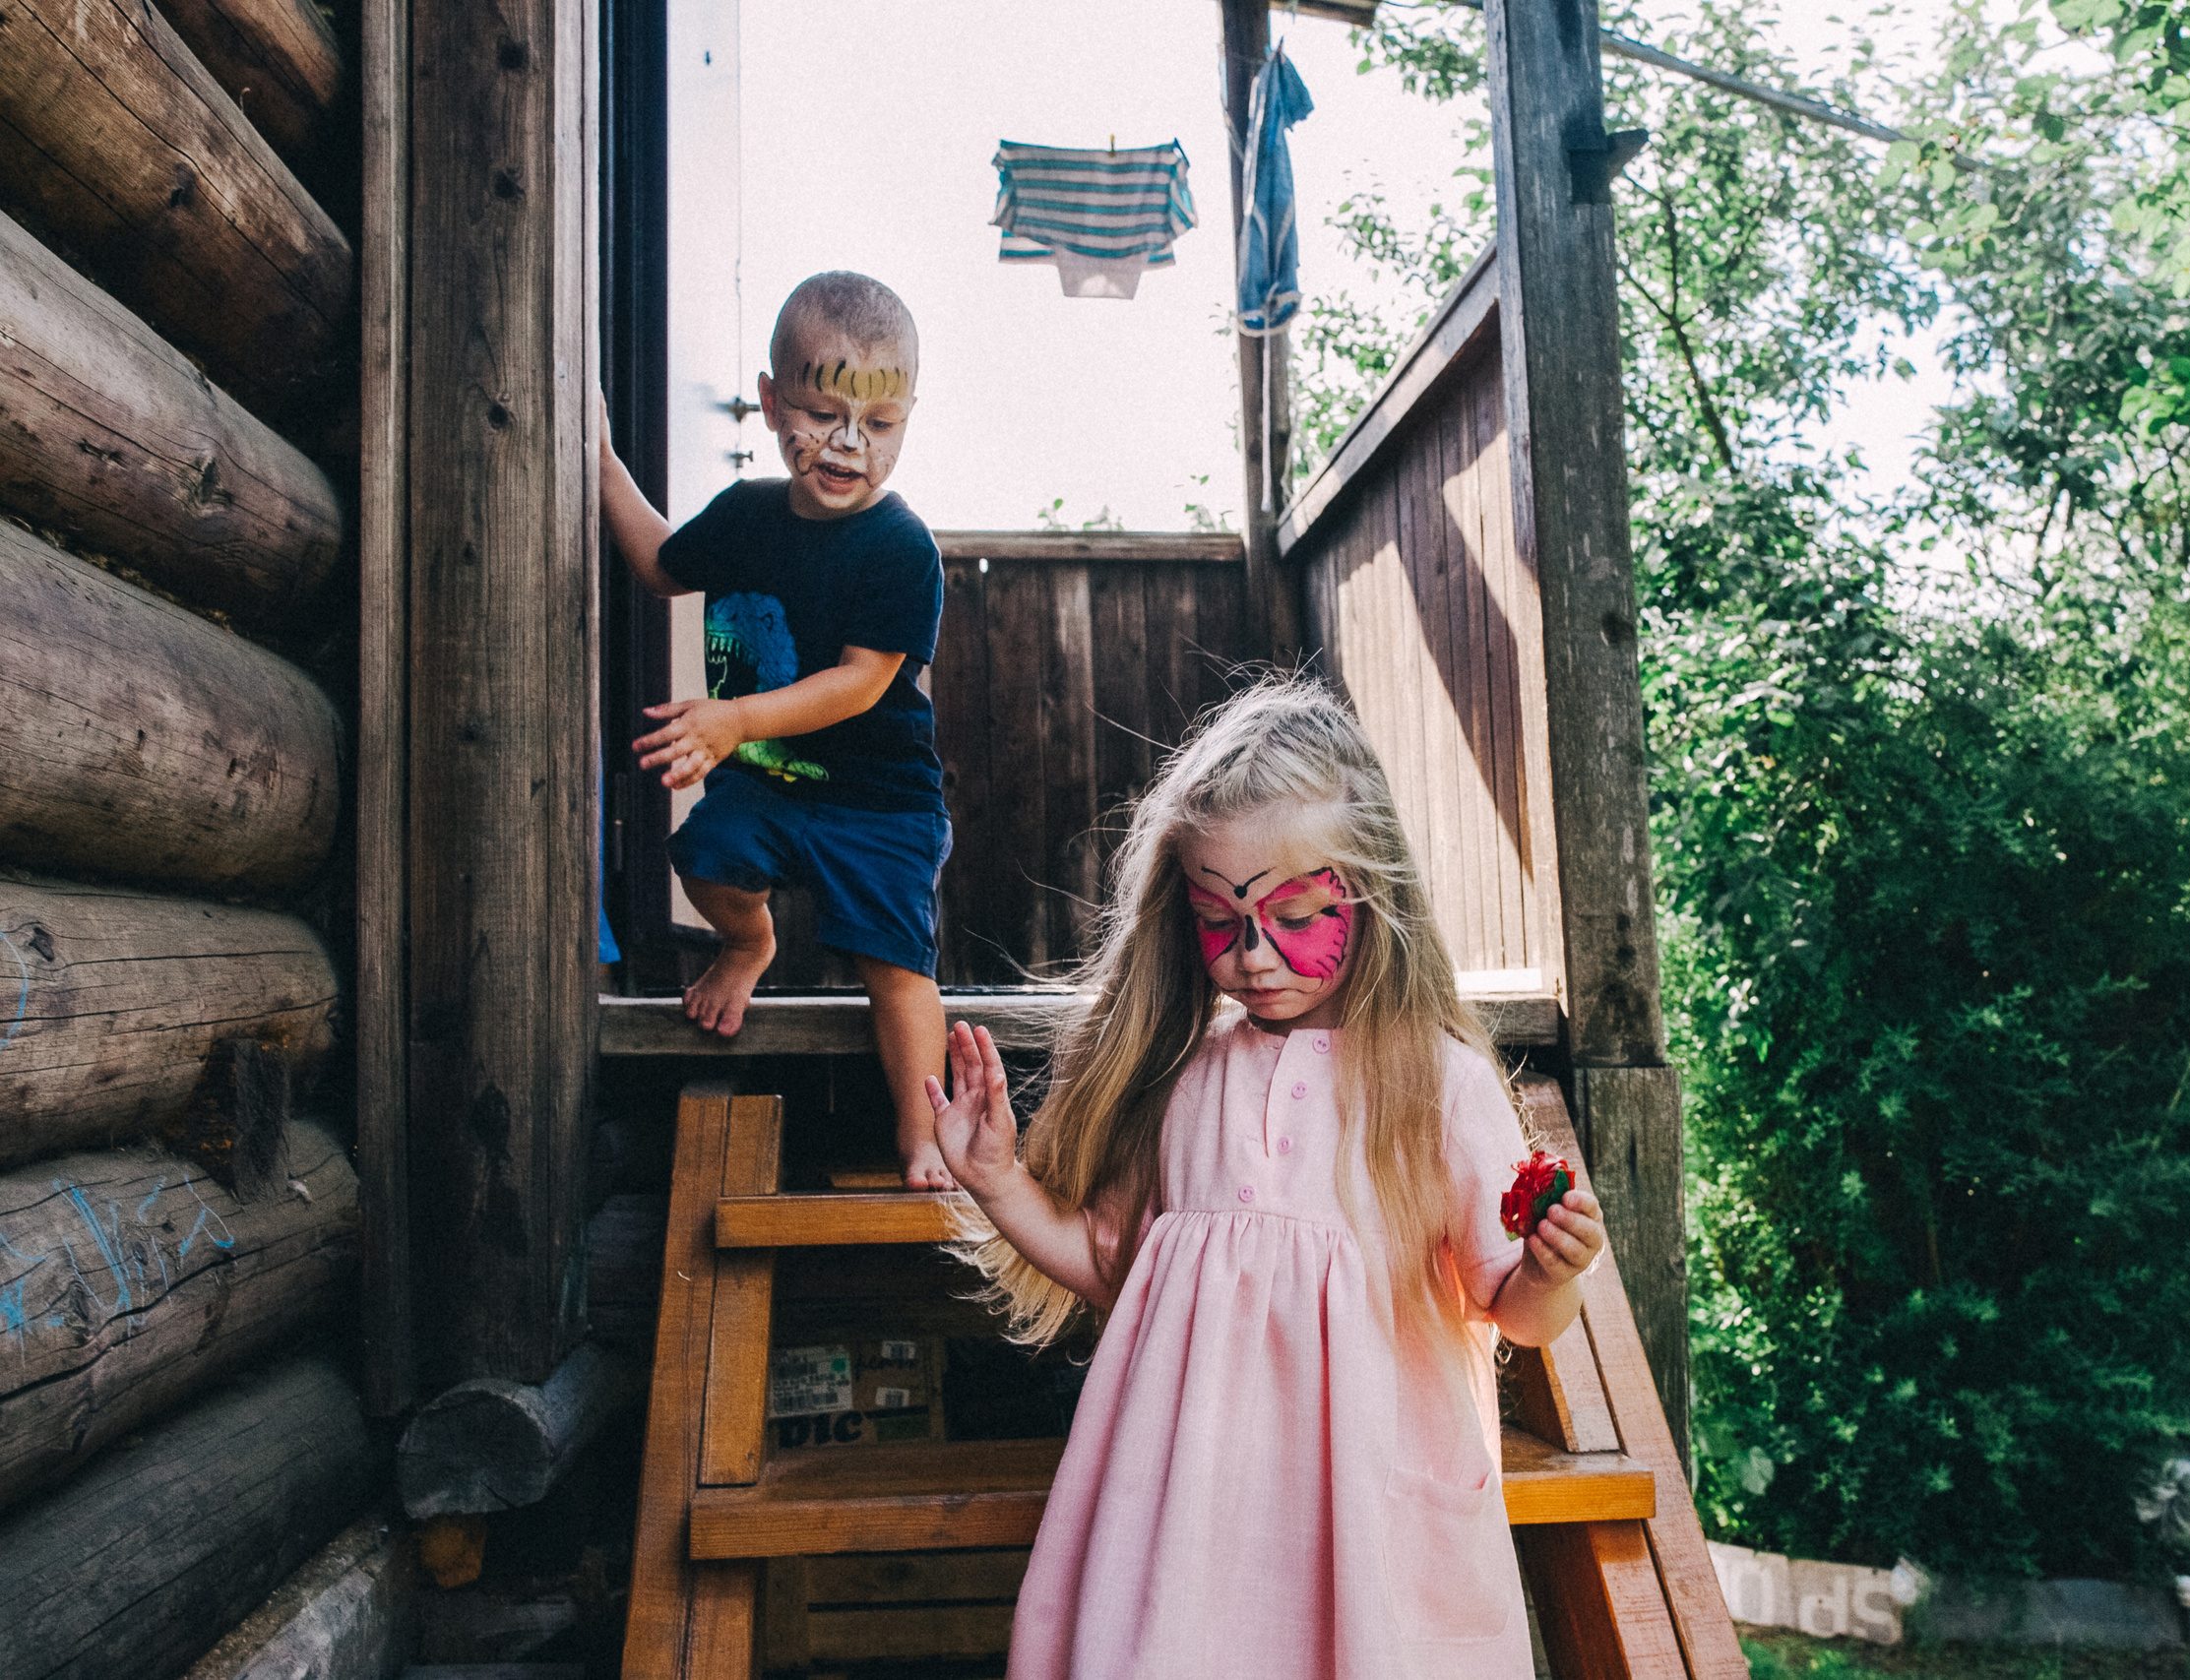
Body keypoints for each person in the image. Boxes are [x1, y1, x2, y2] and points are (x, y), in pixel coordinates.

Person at [928, 677, 1607, 1677]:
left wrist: (1553, 1271)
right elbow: (1112, 1265)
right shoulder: (1185, 1083)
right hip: (1186, 1531)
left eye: (1295, 914)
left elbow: (1514, 1310)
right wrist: (997, 1181)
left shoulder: (1438, 1085)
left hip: (1364, 1534)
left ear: (1371, 892)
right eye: (1218, 920)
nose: (1252, 954)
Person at [599, 270, 956, 1190]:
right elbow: (658, 563)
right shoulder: (747, 516)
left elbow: (859, 683)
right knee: (704, 855)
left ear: (908, 418)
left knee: (894, 963)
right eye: (822, 412)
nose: (847, 445)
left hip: (880, 804)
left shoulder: (900, 548)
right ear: (769, 402)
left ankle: (926, 1139)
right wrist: (597, 458)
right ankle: (747, 942)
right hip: (765, 781)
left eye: (879, 425)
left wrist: (733, 719)